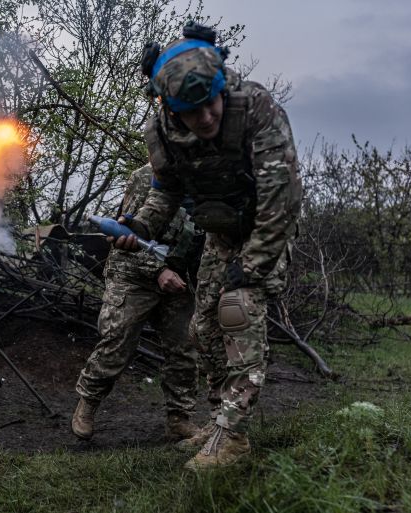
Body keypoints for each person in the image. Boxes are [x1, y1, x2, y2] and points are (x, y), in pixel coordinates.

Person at [112, 21, 302, 470]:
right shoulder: (161, 134)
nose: (206, 118)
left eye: (210, 103)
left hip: (265, 229)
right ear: (171, 108)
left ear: (221, 86)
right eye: (191, 111)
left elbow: (283, 195)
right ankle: (219, 422)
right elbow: (166, 192)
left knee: (237, 310)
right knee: (202, 329)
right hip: (220, 234)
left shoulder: (255, 107)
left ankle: (234, 438)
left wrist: (253, 265)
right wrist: (139, 228)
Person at [72, 164, 200, 442]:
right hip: (133, 272)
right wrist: (158, 271)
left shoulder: (208, 176)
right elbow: (129, 234)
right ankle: (88, 403)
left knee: (184, 348)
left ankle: (179, 418)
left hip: (179, 276)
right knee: (117, 340)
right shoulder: (145, 177)